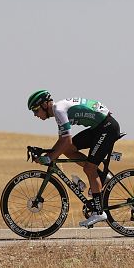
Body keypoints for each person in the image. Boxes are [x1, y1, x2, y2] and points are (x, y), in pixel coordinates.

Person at [27, 90, 121, 227]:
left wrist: (50, 158)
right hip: (99, 127)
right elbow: (64, 142)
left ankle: (99, 212)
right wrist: (48, 154)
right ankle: (102, 176)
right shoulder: (59, 110)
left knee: (90, 168)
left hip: (107, 128)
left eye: (35, 110)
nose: (35, 115)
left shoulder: (59, 111)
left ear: (45, 105)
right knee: (69, 150)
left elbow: (66, 140)